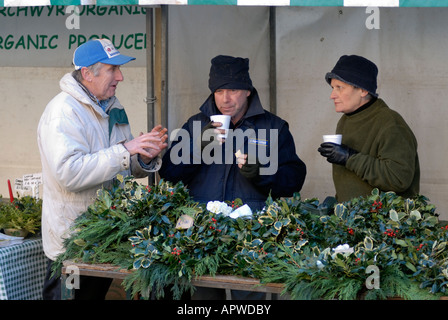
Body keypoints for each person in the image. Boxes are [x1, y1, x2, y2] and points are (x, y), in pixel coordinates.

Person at [159, 55, 307, 299]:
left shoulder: (273, 126)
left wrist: (262, 174)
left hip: (253, 234)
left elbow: (294, 180)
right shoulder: (196, 125)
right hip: (201, 232)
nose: (225, 99)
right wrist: (198, 148)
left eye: (233, 90)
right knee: (202, 299)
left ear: (248, 91)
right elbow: (169, 174)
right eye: (219, 91)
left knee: (251, 299)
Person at [37, 39, 168, 300]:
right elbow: (70, 173)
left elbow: (120, 167)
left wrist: (142, 157)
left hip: (104, 238)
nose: (120, 77)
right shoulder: (63, 112)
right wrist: (125, 150)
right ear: (87, 73)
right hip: (72, 242)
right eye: (112, 69)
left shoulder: (114, 107)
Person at [318, 54, 420, 203]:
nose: (332, 95)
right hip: (352, 222)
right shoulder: (345, 121)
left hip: (385, 223)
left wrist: (350, 158)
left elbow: (398, 179)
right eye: (333, 88)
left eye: (339, 88)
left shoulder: (390, 123)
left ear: (363, 90)